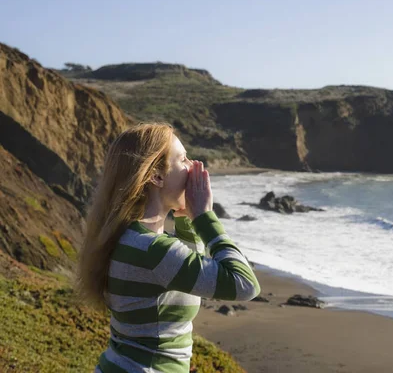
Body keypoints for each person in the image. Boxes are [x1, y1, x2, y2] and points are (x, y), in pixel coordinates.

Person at [77, 122, 260, 372]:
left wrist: (186, 218)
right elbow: (245, 284)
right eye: (183, 159)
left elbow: (182, 275)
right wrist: (205, 218)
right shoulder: (153, 251)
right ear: (156, 176)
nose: (194, 167)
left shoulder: (127, 238)